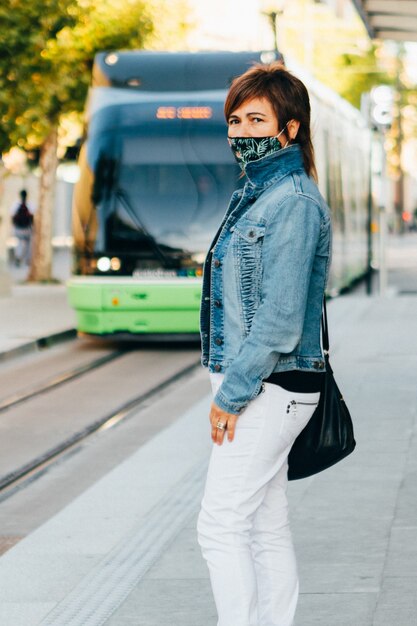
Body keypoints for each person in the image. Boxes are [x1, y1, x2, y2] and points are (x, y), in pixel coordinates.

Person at [197, 63, 332, 626]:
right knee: (263, 521)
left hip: (268, 384)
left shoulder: (292, 202)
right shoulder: (258, 193)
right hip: (265, 382)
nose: (242, 130)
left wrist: (232, 393)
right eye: (235, 119)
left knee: (220, 523)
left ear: (290, 129)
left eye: (257, 118)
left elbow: (278, 321)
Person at [10, 189, 35, 266]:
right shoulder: (30, 205)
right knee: (28, 244)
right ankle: (27, 259)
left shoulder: (15, 205)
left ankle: (18, 257)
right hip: (27, 228)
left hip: (18, 228)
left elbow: (12, 216)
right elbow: (32, 217)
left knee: (19, 243)